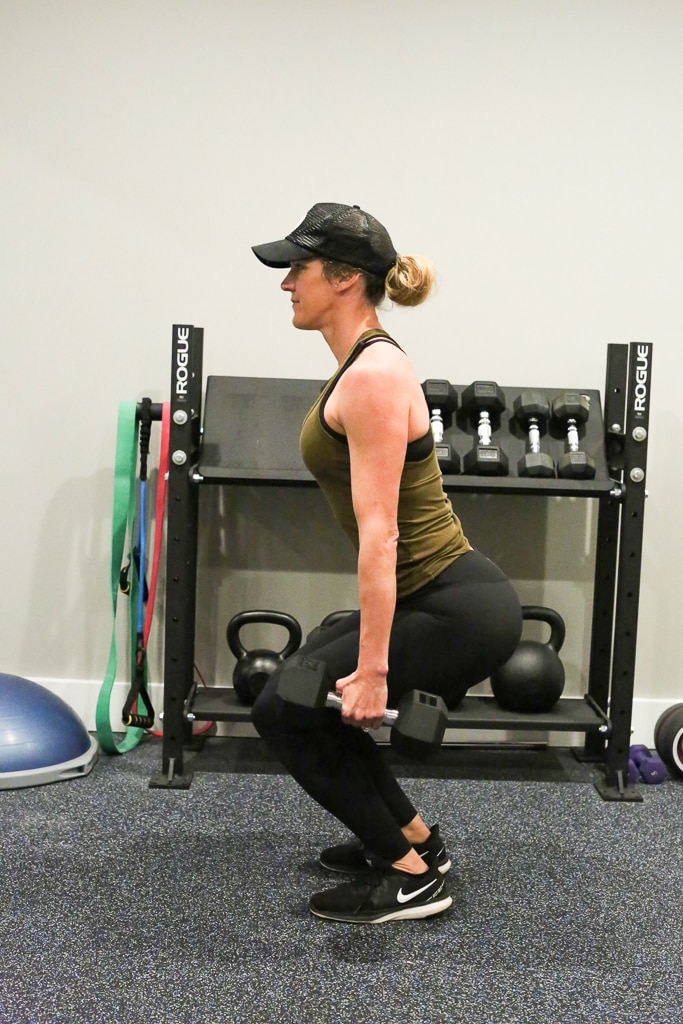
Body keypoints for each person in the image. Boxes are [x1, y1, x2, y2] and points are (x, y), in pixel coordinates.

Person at [250, 202, 522, 924]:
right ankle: (415, 843)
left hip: (454, 604)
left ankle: (408, 881)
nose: (285, 284)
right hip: (435, 595)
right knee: (304, 692)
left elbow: (381, 538)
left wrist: (371, 670)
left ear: (342, 279)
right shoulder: (360, 364)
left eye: (296, 269)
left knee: (284, 708)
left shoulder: (372, 374)